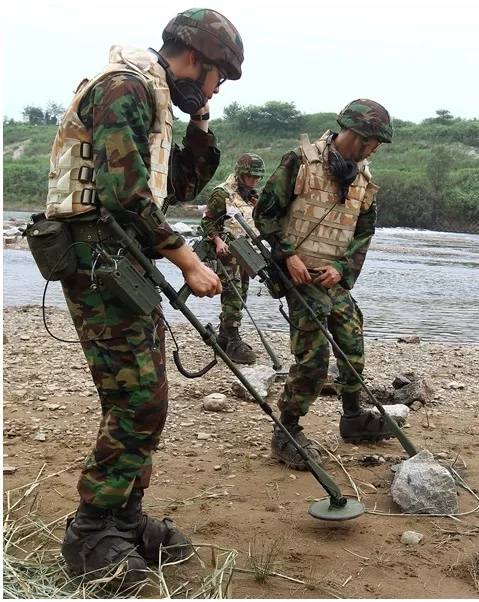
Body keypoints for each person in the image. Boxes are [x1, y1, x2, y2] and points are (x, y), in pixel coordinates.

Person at [42, 8, 244, 588]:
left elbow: (174, 187)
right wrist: (188, 259)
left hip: (121, 262)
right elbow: (124, 193)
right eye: (217, 79)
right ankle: (91, 534)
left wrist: (201, 125)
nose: (215, 89)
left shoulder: (152, 98)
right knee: (137, 402)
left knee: (143, 398)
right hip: (96, 259)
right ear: (199, 60)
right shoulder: (124, 89)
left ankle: (124, 521)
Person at [253, 99, 394, 470]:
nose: (376, 148)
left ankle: (352, 419)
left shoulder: (363, 178)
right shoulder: (299, 162)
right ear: (360, 136)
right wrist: (288, 255)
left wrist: (344, 271)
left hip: (334, 279)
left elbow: (364, 232)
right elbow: (264, 213)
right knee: (314, 360)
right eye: (375, 141)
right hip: (299, 275)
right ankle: (287, 430)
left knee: (352, 345)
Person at [200, 153, 266, 364]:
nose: (255, 180)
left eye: (257, 177)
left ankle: (224, 338)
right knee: (233, 294)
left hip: (247, 253)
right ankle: (234, 339)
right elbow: (208, 222)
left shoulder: (251, 197)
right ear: (240, 174)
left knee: (242, 293)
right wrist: (218, 242)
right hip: (227, 253)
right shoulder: (222, 194)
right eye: (251, 176)